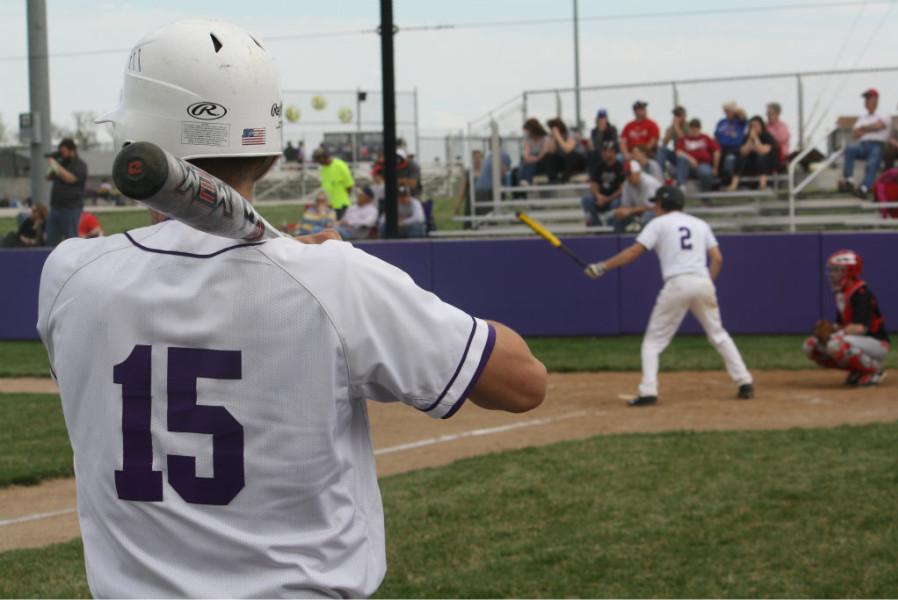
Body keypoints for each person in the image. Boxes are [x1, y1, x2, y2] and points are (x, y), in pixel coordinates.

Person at [39, 20, 546, 599]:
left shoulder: (68, 276)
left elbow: (196, 283)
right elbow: (523, 383)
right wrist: (358, 282)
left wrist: (306, 268)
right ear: (272, 149)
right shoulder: (336, 283)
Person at [584, 186, 754, 405]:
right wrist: (706, 282)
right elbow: (718, 258)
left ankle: (648, 391)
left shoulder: (658, 224)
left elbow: (634, 252)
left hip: (677, 283)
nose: (654, 207)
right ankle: (745, 381)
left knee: (652, 343)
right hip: (702, 281)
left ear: (663, 204)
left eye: (656, 203)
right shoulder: (700, 224)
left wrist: (602, 266)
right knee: (718, 334)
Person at [805, 250, 889, 386]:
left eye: (837, 270)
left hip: (876, 342)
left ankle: (874, 370)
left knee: (835, 344)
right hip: (858, 341)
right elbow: (843, 325)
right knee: (811, 346)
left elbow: (860, 328)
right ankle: (859, 370)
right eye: (832, 270)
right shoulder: (842, 293)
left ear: (849, 271)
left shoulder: (860, 293)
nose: (832, 274)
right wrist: (831, 328)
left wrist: (836, 334)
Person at [837, 88, 890, 198]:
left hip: (877, 145)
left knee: (872, 162)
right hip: (863, 145)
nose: (866, 101)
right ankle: (849, 180)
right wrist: (871, 128)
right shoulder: (862, 117)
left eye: (869, 98)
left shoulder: (884, 114)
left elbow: (880, 126)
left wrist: (864, 128)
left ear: (876, 100)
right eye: (866, 99)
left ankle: (864, 188)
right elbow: (855, 134)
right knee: (850, 148)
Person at [45, 138, 88, 246]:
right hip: (55, 208)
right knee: (51, 240)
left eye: (63, 152)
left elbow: (70, 178)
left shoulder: (80, 165)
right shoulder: (61, 164)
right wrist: (53, 164)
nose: (62, 155)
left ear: (72, 151)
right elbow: (48, 177)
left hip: (71, 209)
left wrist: (56, 165)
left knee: (71, 240)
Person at [726, 115, 778, 191]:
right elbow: (743, 152)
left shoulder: (767, 136)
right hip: (750, 163)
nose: (753, 128)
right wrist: (750, 140)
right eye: (751, 126)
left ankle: (762, 184)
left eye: (756, 125)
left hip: (766, 162)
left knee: (761, 157)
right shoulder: (746, 137)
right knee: (740, 159)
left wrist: (756, 139)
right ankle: (733, 185)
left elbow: (762, 151)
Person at [581, 141, 624, 227]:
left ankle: (611, 226)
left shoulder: (620, 167)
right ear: (603, 153)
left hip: (613, 198)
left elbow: (621, 189)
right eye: (606, 151)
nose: (608, 153)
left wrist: (608, 198)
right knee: (586, 200)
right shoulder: (599, 167)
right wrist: (598, 196)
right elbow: (594, 184)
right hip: (600, 198)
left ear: (615, 152)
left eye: (611, 151)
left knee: (616, 203)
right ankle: (596, 225)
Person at [613, 159, 660, 233]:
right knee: (618, 217)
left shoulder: (648, 182)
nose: (627, 177)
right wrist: (621, 211)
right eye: (626, 175)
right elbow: (625, 205)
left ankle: (643, 243)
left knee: (647, 216)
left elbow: (652, 207)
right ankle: (619, 242)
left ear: (638, 173)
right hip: (639, 211)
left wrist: (630, 211)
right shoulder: (627, 183)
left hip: (657, 212)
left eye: (629, 174)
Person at [675, 118, 720, 191]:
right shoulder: (684, 139)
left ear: (699, 129)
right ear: (689, 128)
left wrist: (715, 168)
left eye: (696, 128)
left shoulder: (706, 138)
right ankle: (681, 186)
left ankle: (705, 195)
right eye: (692, 128)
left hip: (703, 164)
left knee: (705, 173)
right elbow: (678, 152)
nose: (694, 131)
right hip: (687, 166)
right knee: (682, 159)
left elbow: (716, 151)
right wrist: (690, 159)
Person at [312, 146, 355, 218]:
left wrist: (341, 198)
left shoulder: (340, 165)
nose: (319, 163)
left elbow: (349, 185)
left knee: (338, 227)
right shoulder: (323, 169)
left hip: (340, 206)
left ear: (325, 157)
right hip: (328, 205)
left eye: (319, 160)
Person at [714, 101, 747, 186]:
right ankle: (720, 181)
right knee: (718, 157)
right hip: (722, 148)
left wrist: (735, 109)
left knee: (730, 159)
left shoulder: (739, 121)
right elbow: (716, 136)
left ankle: (729, 181)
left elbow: (743, 113)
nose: (727, 112)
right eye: (726, 110)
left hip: (735, 148)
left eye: (729, 110)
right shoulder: (721, 122)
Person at [546, 117, 586, 182]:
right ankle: (552, 179)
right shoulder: (553, 136)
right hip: (565, 161)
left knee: (572, 155)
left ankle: (564, 179)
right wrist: (553, 138)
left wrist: (558, 136)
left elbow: (568, 150)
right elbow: (551, 151)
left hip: (578, 161)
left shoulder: (571, 134)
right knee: (550, 156)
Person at [657, 105, 688, 178]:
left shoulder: (689, 126)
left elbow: (684, 141)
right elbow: (665, 142)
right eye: (675, 115)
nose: (677, 117)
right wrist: (672, 128)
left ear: (684, 116)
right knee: (662, 149)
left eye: (679, 115)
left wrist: (677, 127)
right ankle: (660, 173)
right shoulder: (671, 127)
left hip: (686, 155)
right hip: (676, 154)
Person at [519, 118, 552, 184]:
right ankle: (524, 181)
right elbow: (526, 155)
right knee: (524, 166)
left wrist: (535, 159)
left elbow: (543, 153)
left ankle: (525, 181)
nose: (527, 132)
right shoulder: (528, 139)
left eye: (527, 130)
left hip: (542, 161)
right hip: (532, 160)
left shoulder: (545, 138)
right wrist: (531, 158)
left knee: (530, 166)